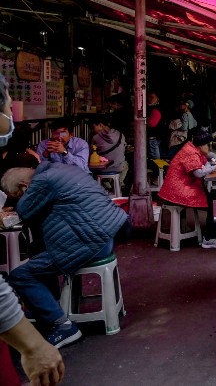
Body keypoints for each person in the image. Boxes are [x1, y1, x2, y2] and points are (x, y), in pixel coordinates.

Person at [2, 164, 128, 349]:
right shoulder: (64, 169)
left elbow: (24, 211)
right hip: (110, 231)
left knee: (20, 276)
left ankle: (63, 326)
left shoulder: (42, 182)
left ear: (24, 186)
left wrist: (16, 204)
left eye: (19, 194)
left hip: (92, 241)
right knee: (38, 249)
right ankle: (47, 305)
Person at [0, 76, 65, 386]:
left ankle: (52, 315)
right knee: (26, 269)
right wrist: (32, 345)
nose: (12, 112)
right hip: (87, 241)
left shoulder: (37, 163)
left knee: (30, 265)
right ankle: (58, 320)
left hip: (79, 242)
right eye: (7, 107)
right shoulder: (38, 163)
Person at [158, 129, 216, 249]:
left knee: (214, 199)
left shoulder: (192, 149)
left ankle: (212, 235)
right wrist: (215, 166)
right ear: (201, 145)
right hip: (179, 191)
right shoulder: (191, 153)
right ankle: (209, 238)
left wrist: (212, 158)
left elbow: (205, 158)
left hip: (179, 189)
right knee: (215, 203)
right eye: (208, 145)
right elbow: (198, 173)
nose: (209, 148)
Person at [90, 115, 128, 190]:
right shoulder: (120, 134)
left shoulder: (95, 138)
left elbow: (92, 153)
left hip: (102, 169)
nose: (92, 130)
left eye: (93, 127)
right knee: (125, 165)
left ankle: (108, 185)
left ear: (101, 125)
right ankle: (119, 183)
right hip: (119, 168)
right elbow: (123, 150)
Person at [147, 93, 164, 160]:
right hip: (157, 135)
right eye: (149, 97)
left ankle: (158, 168)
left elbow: (152, 123)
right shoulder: (153, 108)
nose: (149, 99)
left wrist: (145, 121)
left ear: (157, 99)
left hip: (154, 135)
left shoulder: (155, 110)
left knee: (155, 155)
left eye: (152, 97)